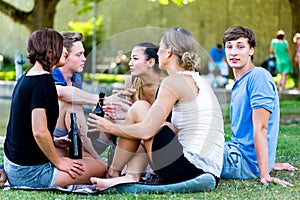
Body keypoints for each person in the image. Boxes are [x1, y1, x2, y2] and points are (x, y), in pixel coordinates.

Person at [87, 27, 224, 191]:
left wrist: (109, 127)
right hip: (207, 169)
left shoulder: (173, 82)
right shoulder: (198, 80)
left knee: (140, 109)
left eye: (160, 48)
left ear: (168, 52)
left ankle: (113, 173)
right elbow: (169, 126)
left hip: (189, 169)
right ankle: (130, 176)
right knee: (148, 116)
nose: (157, 53)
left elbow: (146, 131)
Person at [3, 29, 106, 188]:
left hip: (17, 165)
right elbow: (39, 131)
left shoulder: (30, 75)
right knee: (101, 167)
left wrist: (55, 141)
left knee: (84, 157)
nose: (65, 51)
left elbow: (25, 127)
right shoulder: (42, 81)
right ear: (50, 51)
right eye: (61, 46)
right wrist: (58, 162)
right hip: (30, 173)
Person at [221, 26, 296, 187]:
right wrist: (270, 162)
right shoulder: (240, 82)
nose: (233, 52)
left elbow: (261, 127)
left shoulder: (258, 77)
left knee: (188, 145)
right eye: (229, 46)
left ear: (251, 50)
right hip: (236, 152)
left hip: (243, 162)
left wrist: (264, 173)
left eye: (240, 46)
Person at [104, 42, 165, 178]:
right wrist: (126, 103)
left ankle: (117, 171)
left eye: (135, 59)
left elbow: (154, 122)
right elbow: (136, 113)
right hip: (141, 135)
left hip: (157, 138)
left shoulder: (165, 87)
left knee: (138, 142)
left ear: (150, 62)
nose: (130, 63)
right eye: (131, 58)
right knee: (108, 116)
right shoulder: (132, 81)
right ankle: (124, 175)